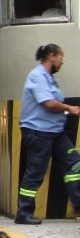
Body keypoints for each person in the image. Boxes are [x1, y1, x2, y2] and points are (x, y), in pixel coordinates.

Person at [15, 44, 80, 225]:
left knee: (74, 163)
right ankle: (24, 213)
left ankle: (78, 204)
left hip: (55, 132)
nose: (62, 62)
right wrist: (69, 108)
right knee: (36, 171)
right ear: (52, 56)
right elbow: (49, 103)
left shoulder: (50, 79)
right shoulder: (37, 76)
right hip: (38, 132)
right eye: (61, 58)